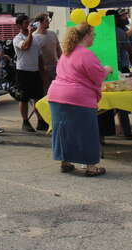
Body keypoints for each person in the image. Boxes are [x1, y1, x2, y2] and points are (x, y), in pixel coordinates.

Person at [47, 23, 112, 176]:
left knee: (63, 131)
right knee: (86, 131)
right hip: (77, 97)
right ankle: (91, 167)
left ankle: (65, 161)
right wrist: (107, 69)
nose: (94, 37)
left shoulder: (66, 53)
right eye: (93, 35)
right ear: (86, 36)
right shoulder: (86, 54)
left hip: (56, 95)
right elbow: (97, 76)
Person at [13, 14, 47, 132]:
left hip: (35, 71)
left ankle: (41, 121)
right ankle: (25, 121)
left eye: (29, 22)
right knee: (24, 98)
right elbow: (25, 46)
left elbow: (39, 56)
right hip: (23, 71)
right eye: (25, 23)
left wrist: (42, 72)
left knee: (38, 97)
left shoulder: (35, 38)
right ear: (19, 25)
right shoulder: (17, 38)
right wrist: (30, 33)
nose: (28, 25)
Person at [33, 13, 61, 92]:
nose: (48, 22)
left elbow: (58, 49)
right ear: (40, 23)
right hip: (43, 70)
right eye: (46, 21)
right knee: (46, 91)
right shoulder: (34, 37)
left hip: (56, 67)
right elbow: (34, 55)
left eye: (48, 20)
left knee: (58, 89)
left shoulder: (52, 34)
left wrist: (62, 63)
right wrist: (41, 68)